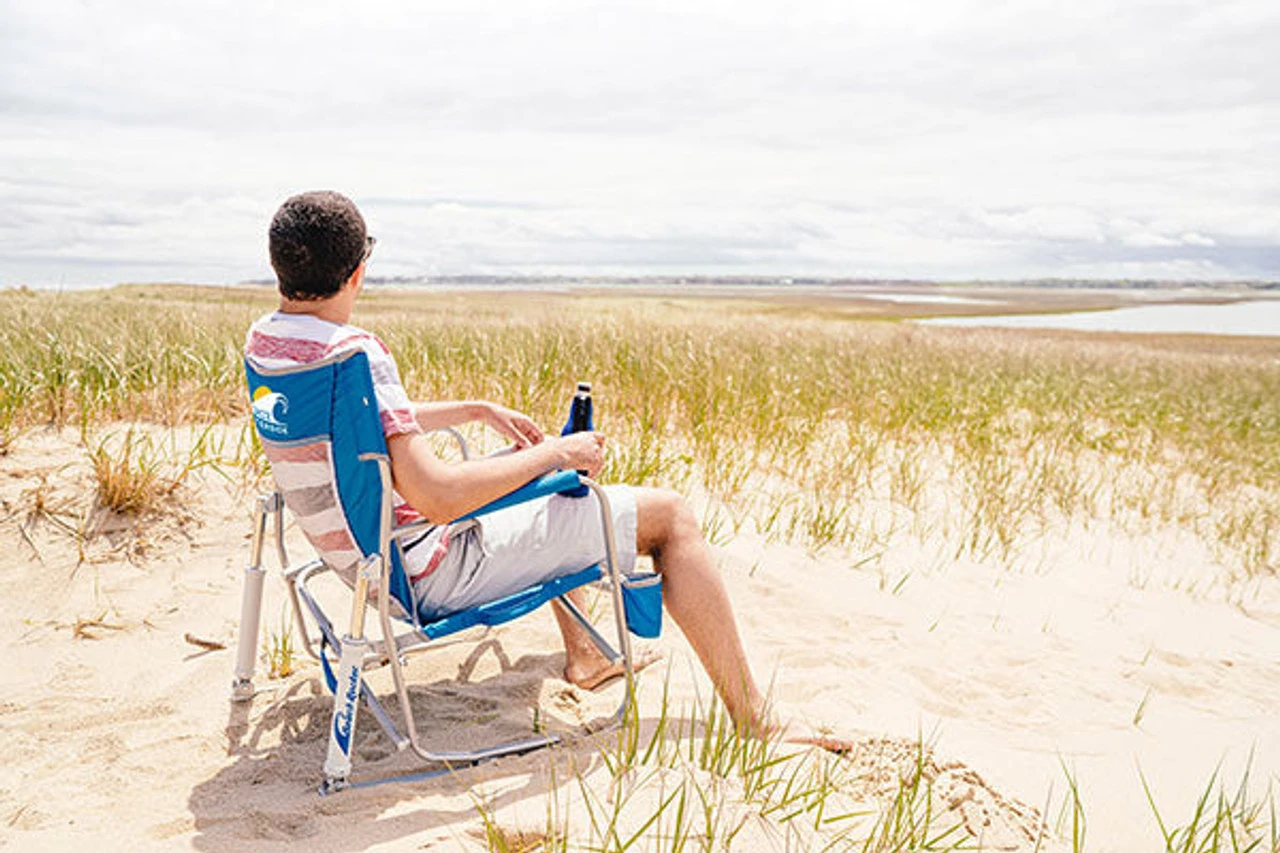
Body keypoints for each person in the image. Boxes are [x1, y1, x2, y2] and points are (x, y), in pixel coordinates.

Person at [246, 190, 809, 741]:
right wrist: (558, 453)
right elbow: (438, 498)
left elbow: (356, 429)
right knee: (669, 515)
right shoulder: (356, 352)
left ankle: (587, 657)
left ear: (279, 268)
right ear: (358, 271)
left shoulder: (270, 343)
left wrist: (476, 410)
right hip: (427, 573)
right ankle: (754, 716)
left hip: (362, 564)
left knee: (535, 470)